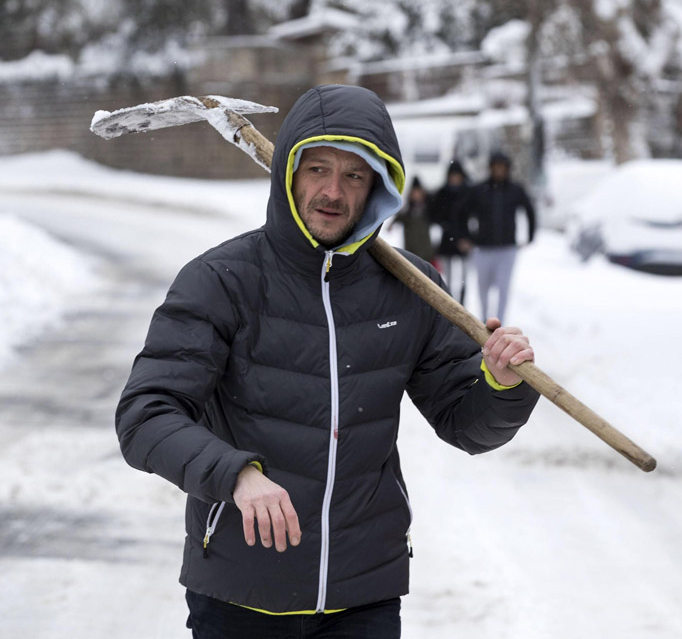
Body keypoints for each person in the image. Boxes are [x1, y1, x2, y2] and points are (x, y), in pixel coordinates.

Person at [115, 85, 540, 639]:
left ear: (379, 188)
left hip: (362, 594)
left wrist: (501, 385)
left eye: (355, 176)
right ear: (289, 173)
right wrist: (236, 474)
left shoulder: (410, 288)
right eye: (317, 169)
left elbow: (469, 426)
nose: (332, 191)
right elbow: (146, 414)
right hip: (241, 593)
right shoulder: (223, 280)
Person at [461, 152, 536, 323]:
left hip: (507, 248)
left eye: (502, 167)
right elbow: (462, 212)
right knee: (483, 287)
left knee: (503, 287)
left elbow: (530, 210)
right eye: (496, 167)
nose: (499, 171)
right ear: (490, 168)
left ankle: (500, 322)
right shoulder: (479, 190)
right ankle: (484, 321)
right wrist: (465, 237)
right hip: (483, 247)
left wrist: (530, 235)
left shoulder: (515, 190)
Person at [429, 160, 471, 303]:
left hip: (465, 241)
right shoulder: (442, 193)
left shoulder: (469, 193)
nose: (454, 178)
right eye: (452, 175)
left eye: (457, 175)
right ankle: (451, 305)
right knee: (447, 278)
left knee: (464, 279)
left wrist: (467, 239)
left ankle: (462, 304)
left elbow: (474, 217)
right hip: (447, 241)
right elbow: (434, 216)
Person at [391, 177, 436, 264]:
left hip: (425, 250)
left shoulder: (427, 209)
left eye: (418, 193)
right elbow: (399, 218)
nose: (416, 195)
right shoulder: (407, 211)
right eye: (414, 193)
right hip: (411, 249)